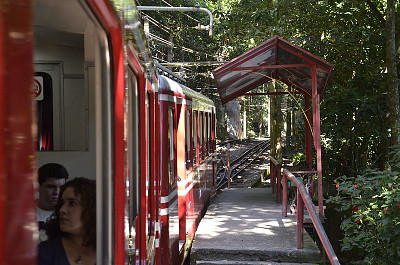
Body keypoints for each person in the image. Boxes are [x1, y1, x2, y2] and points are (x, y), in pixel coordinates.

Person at [38, 177, 96, 265]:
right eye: (62, 203)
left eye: (72, 203)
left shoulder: (110, 250)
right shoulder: (45, 252)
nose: (62, 210)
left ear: (92, 209)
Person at [37, 163, 69, 242]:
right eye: (51, 187)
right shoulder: (23, 213)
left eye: (61, 187)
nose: (57, 192)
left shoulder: (69, 213)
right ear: (38, 186)